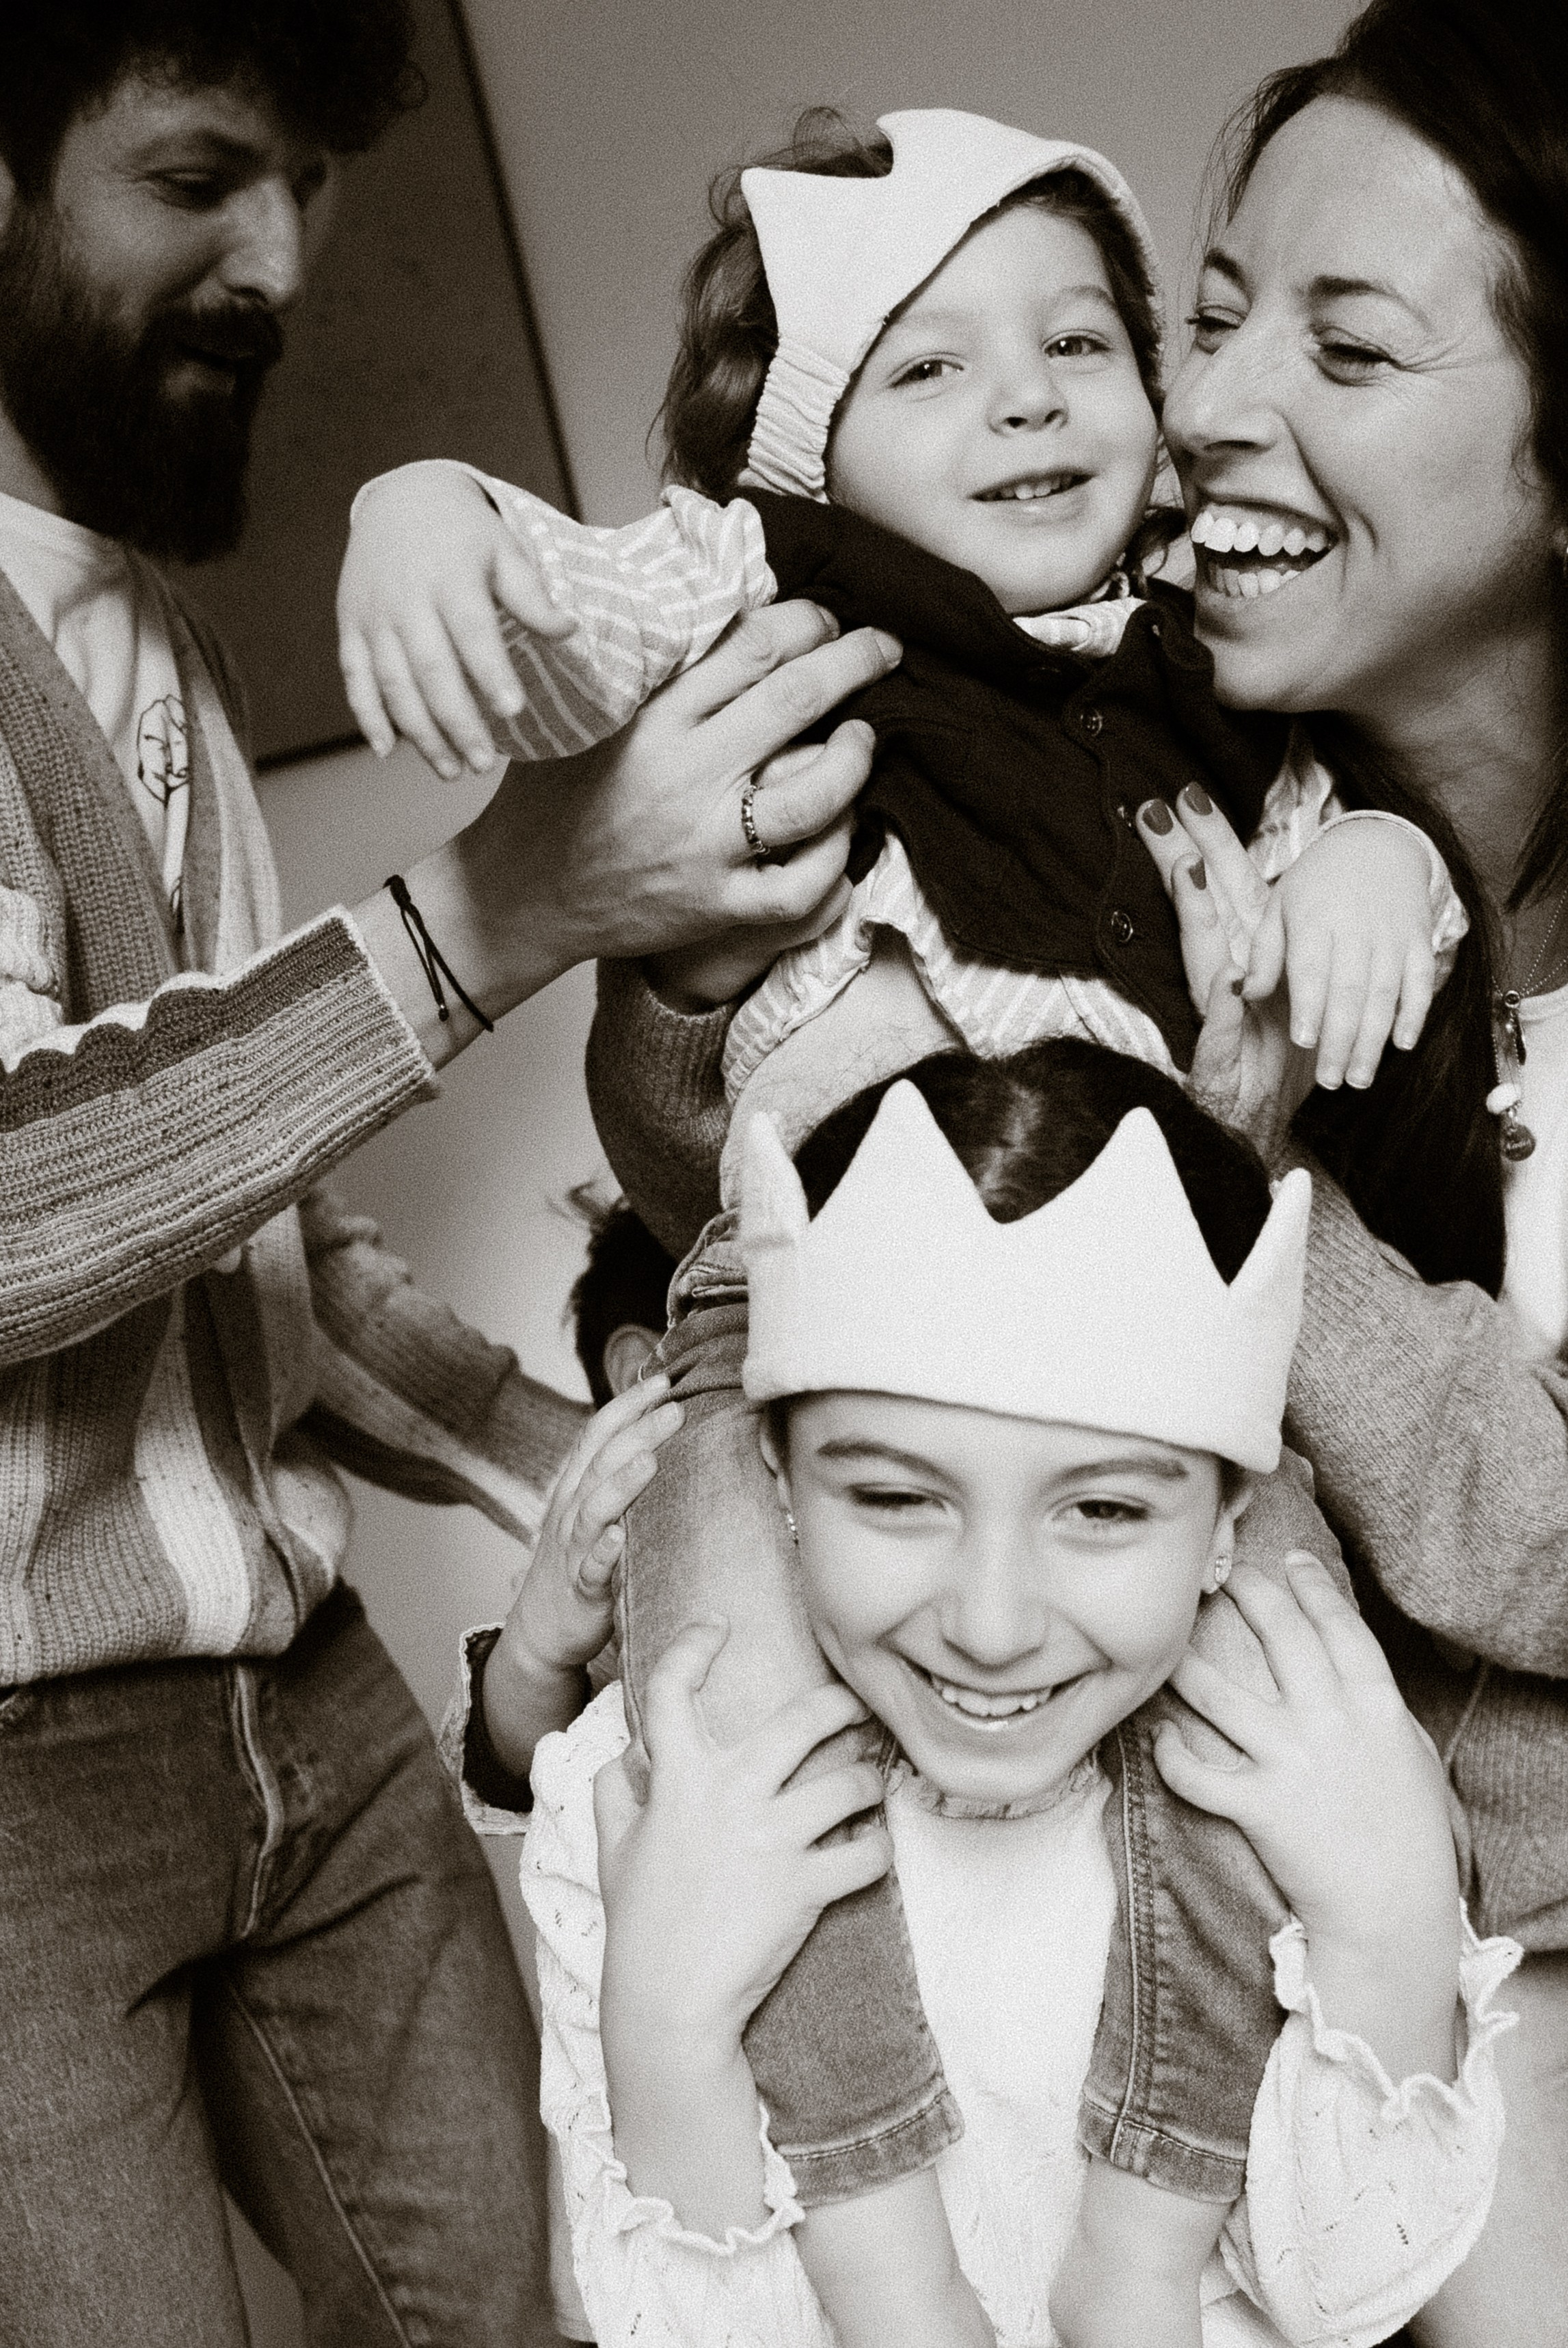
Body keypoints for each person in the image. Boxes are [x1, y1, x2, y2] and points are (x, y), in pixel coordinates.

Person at [347, 107, 1468, 2348]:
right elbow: (554, 581)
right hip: (790, 1301)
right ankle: (874, 2246)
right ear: (803, 440)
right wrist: (412, 510)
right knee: (738, 1720)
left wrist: (1377, 867)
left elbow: (1363, 803)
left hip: (1153, 1310)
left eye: (1077, 342)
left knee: (1294, 1723)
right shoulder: (769, 594)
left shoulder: (1195, 658)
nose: (1030, 396)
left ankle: (1157, 2219)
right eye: (933, 364)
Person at [0, 8, 897, 2343]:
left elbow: (254, 1264)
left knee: (554, 2305)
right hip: (15, 1806)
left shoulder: (147, 632)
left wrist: (559, 1461)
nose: (281, 256)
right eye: (202, 173)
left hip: (308, 1704)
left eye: (305, 185)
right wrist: (506, 907)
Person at [517, 1040, 1517, 2348]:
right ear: (775, 1483)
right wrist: (664, 2033)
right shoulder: (645, 1807)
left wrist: (1388, 1923)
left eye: (1101, 1509)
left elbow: (1346, 2293)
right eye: (891, 1497)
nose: (991, 1628)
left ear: (1225, 1522)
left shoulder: (1315, 1778)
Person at [1118, 3, 1568, 2340]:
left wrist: (1239, 1186)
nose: (1202, 405)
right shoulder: (1131, 799)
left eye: (1346, 341)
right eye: (1208, 314)